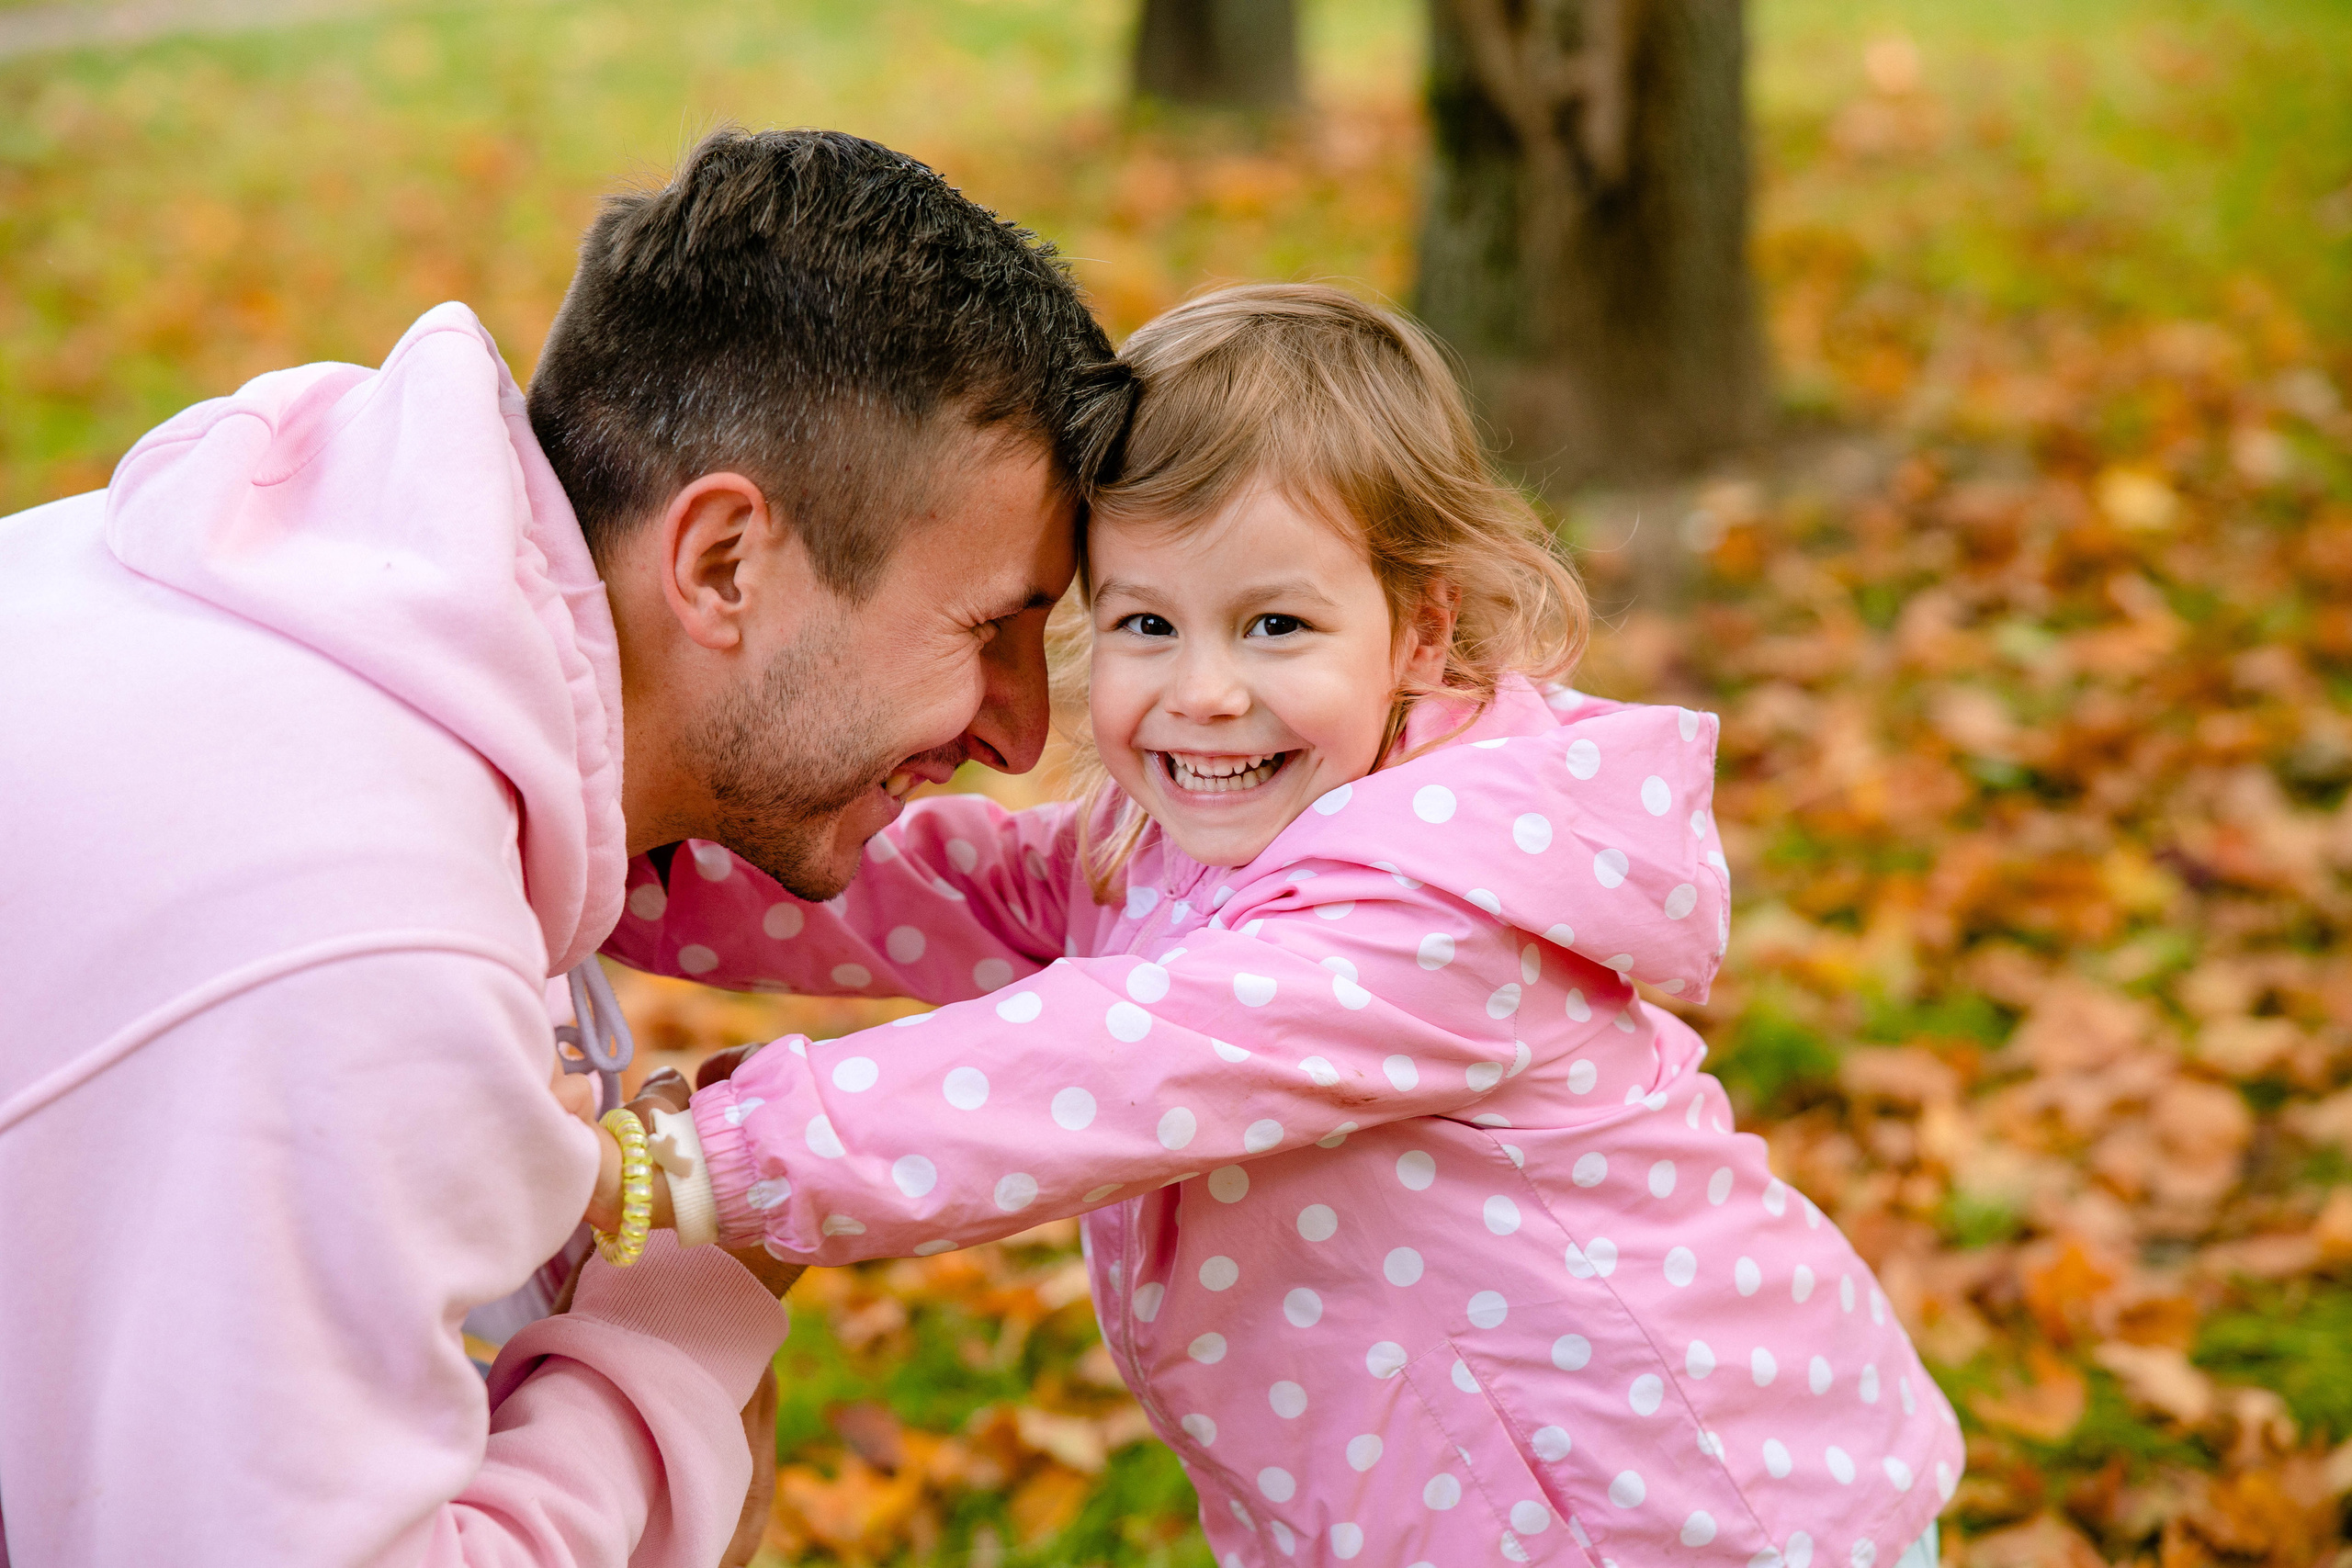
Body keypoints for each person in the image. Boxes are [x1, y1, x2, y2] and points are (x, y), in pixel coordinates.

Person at [600, 286, 1962, 1568]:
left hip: (1679, 1516)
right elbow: (941, 889)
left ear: (1418, 635)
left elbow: (1111, 1064)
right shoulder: (1169, 846)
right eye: (1146, 623)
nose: (1202, 692)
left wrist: (708, 1157)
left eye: (1273, 625)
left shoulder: (1437, 914)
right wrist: (634, 860)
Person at [0, 128, 1126, 1564]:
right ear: (723, 562)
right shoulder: (356, 940)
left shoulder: (309, 617)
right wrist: (678, 1320)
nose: (1022, 735)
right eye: (991, 630)